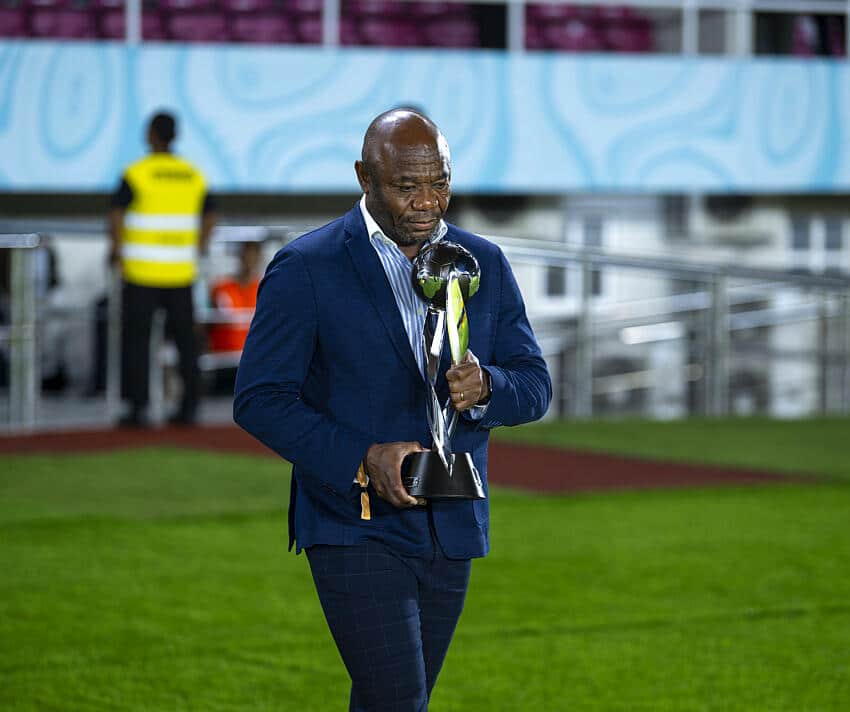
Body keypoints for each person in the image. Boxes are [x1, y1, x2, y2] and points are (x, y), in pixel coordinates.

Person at [234, 109, 551, 711]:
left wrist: (487, 388)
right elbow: (259, 399)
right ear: (364, 177)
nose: (427, 203)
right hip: (354, 523)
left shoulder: (482, 261)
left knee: (392, 701)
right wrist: (362, 458)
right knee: (399, 702)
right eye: (407, 187)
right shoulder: (307, 266)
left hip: (453, 519)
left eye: (440, 183)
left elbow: (534, 384)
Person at [108, 111, 216, 427]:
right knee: (186, 343)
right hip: (181, 273)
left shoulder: (137, 173)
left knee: (137, 343)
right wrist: (198, 247)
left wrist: (117, 250)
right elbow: (210, 216)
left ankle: (138, 409)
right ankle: (190, 407)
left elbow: (116, 213)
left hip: (141, 273)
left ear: (151, 135)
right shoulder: (192, 174)